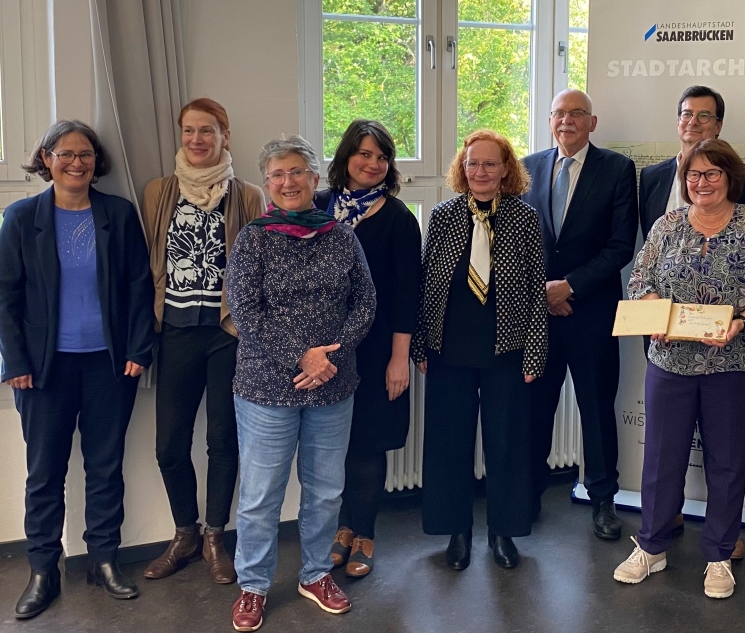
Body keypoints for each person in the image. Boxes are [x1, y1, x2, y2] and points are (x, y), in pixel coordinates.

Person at [0, 120, 156, 620]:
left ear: (96, 161)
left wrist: (139, 348)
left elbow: (139, 285)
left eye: (85, 154)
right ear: (46, 159)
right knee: (45, 473)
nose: (76, 163)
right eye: (65, 154)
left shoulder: (118, 214)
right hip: (43, 371)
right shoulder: (22, 218)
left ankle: (104, 561)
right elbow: (5, 294)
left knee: (106, 468)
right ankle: (43, 570)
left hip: (110, 364)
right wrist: (16, 361)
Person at [613, 139, 745, 600]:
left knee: (727, 462)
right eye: (694, 174)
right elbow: (640, 279)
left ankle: (719, 555)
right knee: (661, 459)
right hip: (669, 362)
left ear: (731, 178)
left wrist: (741, 321)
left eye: (712, 174)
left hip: (733, 362)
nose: (702, 182)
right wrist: (656, 313)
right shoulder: (667, 225)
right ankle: (651, 546)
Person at [224, 135, 376, 631]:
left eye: (296, 172)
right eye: (277, 175)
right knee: (261, 496)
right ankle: (253, 585)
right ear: (267, 183)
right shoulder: (253, 239)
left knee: (326, 490)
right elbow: (245, 312)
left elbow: (365, 302)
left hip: (332, 384)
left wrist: (329, 358)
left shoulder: (342, 236)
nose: (287, 182)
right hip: (266, 389)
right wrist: (303, 356)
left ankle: (315, 575)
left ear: (314, 178)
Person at [140, 98, 266, 584]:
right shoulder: (159, 192)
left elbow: (258, 266)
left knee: (222, 440)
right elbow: (149, 263)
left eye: (207, 130)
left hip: (226, 335)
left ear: (224, 136)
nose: (197, 139)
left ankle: (215, 537)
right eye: (189, 130)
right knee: (169, 445)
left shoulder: (248, 195)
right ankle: (184, 534)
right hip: (174, 332)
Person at [412, 129, 548, 571]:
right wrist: (420, 344)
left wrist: (534, 352)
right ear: (462, 168)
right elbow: (425, 282)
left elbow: (536, 290)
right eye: (473, 163)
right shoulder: (444, 215)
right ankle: (457, 532)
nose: (481, 171)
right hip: (449, 349)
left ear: (506, 169)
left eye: (490, 163)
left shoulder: (524, 218)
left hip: (506, 350)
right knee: (448, 444)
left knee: (506, 445)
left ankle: (503, 532)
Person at [521, 89, 638, 541]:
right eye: (559, 113)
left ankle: (603, 501)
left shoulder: (617, 169)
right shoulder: (527, 168)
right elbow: (517, 242)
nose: (566, 121)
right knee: (535, 409)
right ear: (550, 120)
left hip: (591, 312)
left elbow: (621, 245)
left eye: (576, 113)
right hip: (539, 316)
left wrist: (570, 286)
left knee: (596, 410)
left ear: (592, 122)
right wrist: (544, 292)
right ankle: (528, 496)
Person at [315, 120, 422, 579]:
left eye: (382, 157)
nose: (373, 164)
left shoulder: (398, 218)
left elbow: (407, 296)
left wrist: (400, 359)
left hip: (378, 350)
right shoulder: (317, 206)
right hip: (322, 349)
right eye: (364, 154)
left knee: (367, 442)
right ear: (346, 156)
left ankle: (365, 534)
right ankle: (342, 528)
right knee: (330, 444)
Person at [638, 84, 745, 240]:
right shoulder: (651, 177)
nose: (693, 122)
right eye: (687, 114)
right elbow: (650, 242)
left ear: (718, 126)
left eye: (704, 115)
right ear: (678, 121)